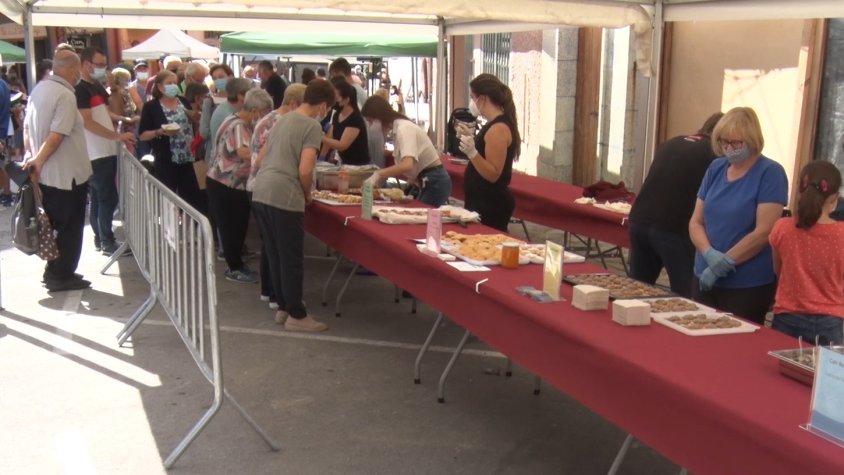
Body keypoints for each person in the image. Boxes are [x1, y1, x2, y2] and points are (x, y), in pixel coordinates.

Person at [689, 107, 788, 324]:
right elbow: (696, 221)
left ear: (752, 140)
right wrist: (708, 254)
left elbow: (764, 232)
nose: (729, 148)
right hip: (705, 275)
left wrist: (726, 261)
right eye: (724, 142)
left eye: (736, 143)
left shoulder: (770, 173)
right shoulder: (716, 168)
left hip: (746, 285)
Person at [251, 78, 335, 332]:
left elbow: (260, 159)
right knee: (290, 258)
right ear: (323, 105)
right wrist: (307, 192)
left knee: (275, 253)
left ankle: (284, 307)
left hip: (262, 190)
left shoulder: (282, 119)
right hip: (285, 194)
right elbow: (306, 168)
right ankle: (297, 315)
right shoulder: (312, 126)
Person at [628, 112, 723, 298]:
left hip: (639, 220)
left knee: (635, 291)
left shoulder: (673, 142)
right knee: (685, 297)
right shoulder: (715, 155)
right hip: (675, 228)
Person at [22, 49, 93, 291]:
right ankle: (60, 274)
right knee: (68, 227)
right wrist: (38, 159)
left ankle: (55, 270)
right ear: (73, 70)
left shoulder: (39, 89)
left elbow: (27, 129)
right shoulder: (65, 95)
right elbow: (57, 135)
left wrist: (31, 155)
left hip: (49, 174)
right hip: (66, 175)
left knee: (57, 225)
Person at [770, 161, 844, 345]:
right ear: (836, 197)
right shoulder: (841, 234)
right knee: (827, 365)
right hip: (831, 319)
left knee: (779, 363)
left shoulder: (782, 228)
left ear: (799, 190)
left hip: (787, 316)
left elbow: (778, 270)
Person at [248, 84, 306, 309]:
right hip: (270, 188)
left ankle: (269, 291)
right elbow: (263, 159)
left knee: (270, 245)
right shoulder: (280, 122)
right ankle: (276, 295)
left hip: (259, 186)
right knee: (277, 248)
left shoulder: (270, 119)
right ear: (294, 103)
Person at [206, 89, 273, 284]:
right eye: (264, 113)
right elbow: (243, 152)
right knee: (232, 227)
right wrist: (267, 156)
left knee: (236, 225)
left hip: (229, 183)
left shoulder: (235, 120)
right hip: (227, 184)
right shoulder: (239, 126)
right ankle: (234, 267)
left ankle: (236, 261)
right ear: (254, 110)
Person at [76, 46, 136, 255]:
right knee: (107, 198)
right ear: (86, 64)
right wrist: (117, 136)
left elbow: (107, 111)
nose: (103, 68)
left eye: (104, 64)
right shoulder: (80, 89)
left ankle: (101, 238)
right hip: (95, 152)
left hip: (105, 150)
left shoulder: (95, 86)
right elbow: (87, 122)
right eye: (100, 64)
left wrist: (124, 118)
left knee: (100, 197)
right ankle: (106, 241)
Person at [457, 73, 520, 232]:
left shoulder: (498, 129)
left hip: (490, 203)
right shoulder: (492, 125)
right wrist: (470, 139)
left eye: (473, 97)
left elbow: (493, 173)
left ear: (483, 98)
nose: (471, 103)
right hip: (481, 200)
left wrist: (472, 153)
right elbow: (486, 152)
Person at [361, 96, 451, 207]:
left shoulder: (404, 129)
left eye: (370, 121)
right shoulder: (398, 128)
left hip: (435, 180)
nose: (370, 126)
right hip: (427, 179)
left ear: (380, 116)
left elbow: (407, 165)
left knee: (420, 214)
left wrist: (379, 174)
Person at [138, 70, 201, 208]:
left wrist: (195, 118)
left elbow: (193, 124)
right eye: (169, 83)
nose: (173, 86)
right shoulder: (151, 107)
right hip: (166, 160)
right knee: (168, 198)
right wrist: (159, 132)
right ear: (160, 87)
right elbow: (142, 134)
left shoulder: (183, 101)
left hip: (188, 158)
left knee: (191, 199)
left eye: (175, 83)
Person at [320, 80, 370, 165]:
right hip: (344, 163)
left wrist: (320, 137)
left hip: (358, 166)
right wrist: (321, 157)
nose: (334, 101)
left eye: (336, 98)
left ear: (347, 99)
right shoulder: (336, 115)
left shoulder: (355, 119)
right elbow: (330, 137)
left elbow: (342, 145)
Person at [207, 78, 252, 167]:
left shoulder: (227, 108)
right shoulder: (229, 116)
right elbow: (241, 150)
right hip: (223, 165)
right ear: (240, 96)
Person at [199, 63, 234, 156]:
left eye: (221, 77)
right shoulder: (209, 102)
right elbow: (204, 132)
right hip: (215, 151)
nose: (218, 80)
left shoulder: (238, 100)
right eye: (215, 78)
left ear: (230, 77)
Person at [108, 67, 140, 156]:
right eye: (126, 80)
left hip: (129, 128)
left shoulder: (125, 93)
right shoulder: (114, 94)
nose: (128, 82)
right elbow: (117, 113)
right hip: (122, 130)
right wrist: (129, 119)